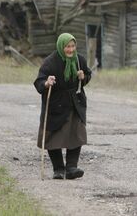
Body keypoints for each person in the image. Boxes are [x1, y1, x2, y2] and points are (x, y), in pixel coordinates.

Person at [34, 33, 92, 180]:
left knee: (76, 133)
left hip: (74, 103)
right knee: (53, 137)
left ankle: (71, 167)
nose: (70, 50)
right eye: (67, 46)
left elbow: (87, 75)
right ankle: (58, 169)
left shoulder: (79, 60)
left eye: (73, 46)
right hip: (56, 104)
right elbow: (39, 82)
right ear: (61, 46)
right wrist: (47, 83)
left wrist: (83, 77)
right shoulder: (50, 62)